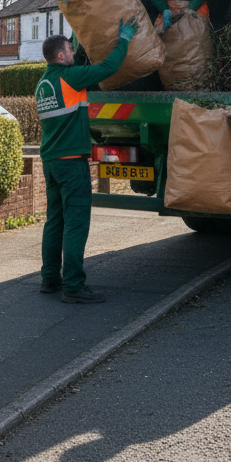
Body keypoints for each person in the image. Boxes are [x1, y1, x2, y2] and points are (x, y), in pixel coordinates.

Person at [34, 18, 139, 303]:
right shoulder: (71, 77)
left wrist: (80, 32)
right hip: (71, 164)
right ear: (60, 56)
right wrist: (124, 39)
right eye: (70, 49)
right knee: (76, 224)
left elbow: (77, 61)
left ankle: (50, 279)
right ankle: (74, 286)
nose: (73, 53)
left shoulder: (44, 82)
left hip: (52, 162)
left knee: (54, 222)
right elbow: (107, 69)